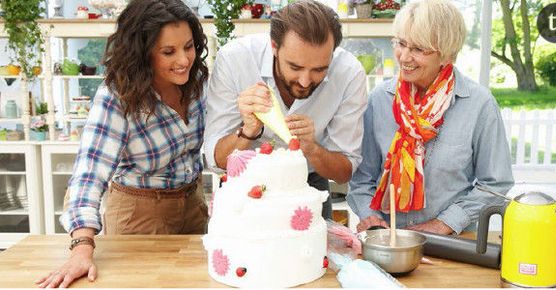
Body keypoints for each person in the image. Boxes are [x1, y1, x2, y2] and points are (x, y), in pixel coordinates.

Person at [36, 0, 209, 287]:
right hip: (139, 216)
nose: (184, 60)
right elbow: (90, 173)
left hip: (194, 207)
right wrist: (82, 247)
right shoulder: (118, 96)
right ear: (142, 53)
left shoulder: (199, 81)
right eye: (168, 52)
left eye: (189, 47)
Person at [347, 0, 514, 235]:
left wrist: (443, 224)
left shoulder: (479, 104)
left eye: (418, 49)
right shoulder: (380, 99)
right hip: (389, 240)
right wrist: (371, 218)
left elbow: (495, 183)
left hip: (452, 241)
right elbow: (362, 179)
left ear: (446, 54)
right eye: (401, 44)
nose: (404, 57)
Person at [204, 0, 368, 219]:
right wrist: (248, 130)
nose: (305, 80)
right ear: (274, 46)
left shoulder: (349, 73)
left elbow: (344, 173)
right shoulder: (235, 59)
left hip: (309, 185)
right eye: (295, 67)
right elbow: (216, 161)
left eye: (319, 69)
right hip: (245, 187)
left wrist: (312, 148)